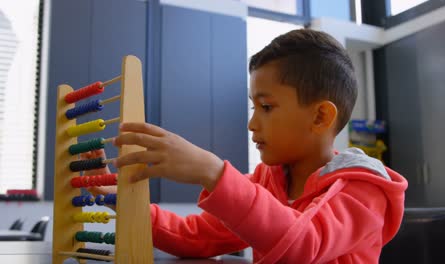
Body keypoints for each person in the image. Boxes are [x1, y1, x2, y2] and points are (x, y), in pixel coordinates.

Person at [84, 29, 408, 263]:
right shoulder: (266, 182)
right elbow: (193, 237)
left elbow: (304, 245)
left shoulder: (363, 190)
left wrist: (213, 172)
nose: (252, 123)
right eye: (253, 107)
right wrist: (115, 196)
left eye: (266, 107)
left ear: (321, 116)